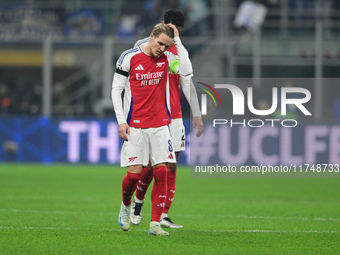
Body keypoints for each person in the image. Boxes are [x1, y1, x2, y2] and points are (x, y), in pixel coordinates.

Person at [111, 22, 192, 236]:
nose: (162, 49)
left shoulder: (167, 58)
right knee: (134, 177)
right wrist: (121, 120)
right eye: (160, 44)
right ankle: (125, 205)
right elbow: (116, 89)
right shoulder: (129, 57)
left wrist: (178, 42)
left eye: (167, 46)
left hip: (160, 125)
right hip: (135, 126)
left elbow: (186, 71)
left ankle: (154, 223)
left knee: (162, 170)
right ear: (151, 36)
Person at [130, 9, 204, 229]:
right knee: (153, 164)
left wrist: (197, 113)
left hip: (175, 116)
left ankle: (163, 214)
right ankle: (138, 202)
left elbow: (187, 78)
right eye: (173, 31)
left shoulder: (177, 50)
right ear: (163, 26)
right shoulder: (144, 46)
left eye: (179, 32)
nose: (174, 37)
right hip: (153, 115)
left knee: (171, 165)